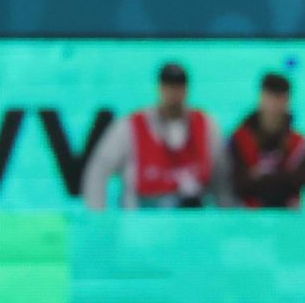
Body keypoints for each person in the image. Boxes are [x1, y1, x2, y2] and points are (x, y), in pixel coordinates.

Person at [82, 62, 226, 209]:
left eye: (178, 86)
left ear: (186, 89)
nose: (174, 93)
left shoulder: (207, 126)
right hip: (142, 217)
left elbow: (223, 178)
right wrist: (97, 215)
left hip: (191, 218)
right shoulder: (131, 127)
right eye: (169, 86)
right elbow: (98, 170)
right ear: (160, 88)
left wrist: (226, 215)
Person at [227, 73, 305, 208]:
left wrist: (259, 175)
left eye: (280, 99)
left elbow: (299, 182)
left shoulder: (298, 143)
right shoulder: (240, 139)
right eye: (270, 97)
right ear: (261, 97)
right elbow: (239, 184)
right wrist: (281, 176)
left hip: (288, 215)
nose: (274, 105)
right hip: (250, 215)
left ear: (288, 101)